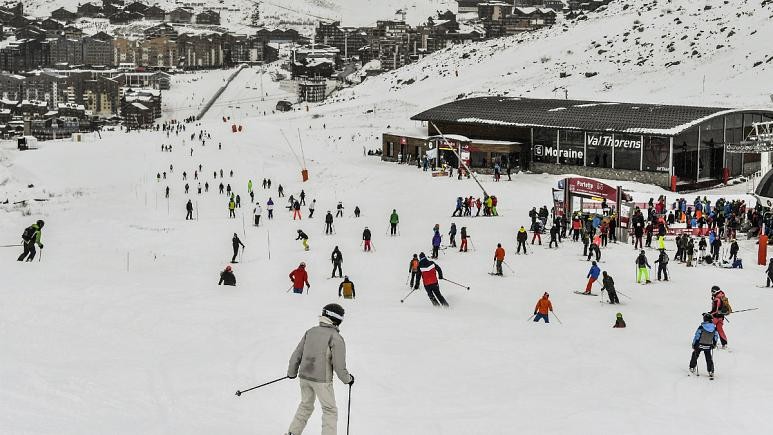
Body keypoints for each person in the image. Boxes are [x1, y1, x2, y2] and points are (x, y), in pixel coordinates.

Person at [286, 303, 353, 435]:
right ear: (337, 319)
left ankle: (292, 433)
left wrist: (292, 372)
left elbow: (296, 354)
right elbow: (339, 366)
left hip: (304, 377)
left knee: (305, 405)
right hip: (322, 381)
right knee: (329, 410)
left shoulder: (310, 331)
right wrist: (348, 379)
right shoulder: (335, 337)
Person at [689, 313, 720, 377]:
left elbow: (697, 336)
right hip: (708, 345)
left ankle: (692, 367)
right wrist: (714, 344)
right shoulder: (714, 328)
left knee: (695, 354)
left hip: (699, 344)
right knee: (708, 357)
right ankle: (711, 371)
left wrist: (694, 344)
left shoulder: (701, 327)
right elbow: (716, 337)